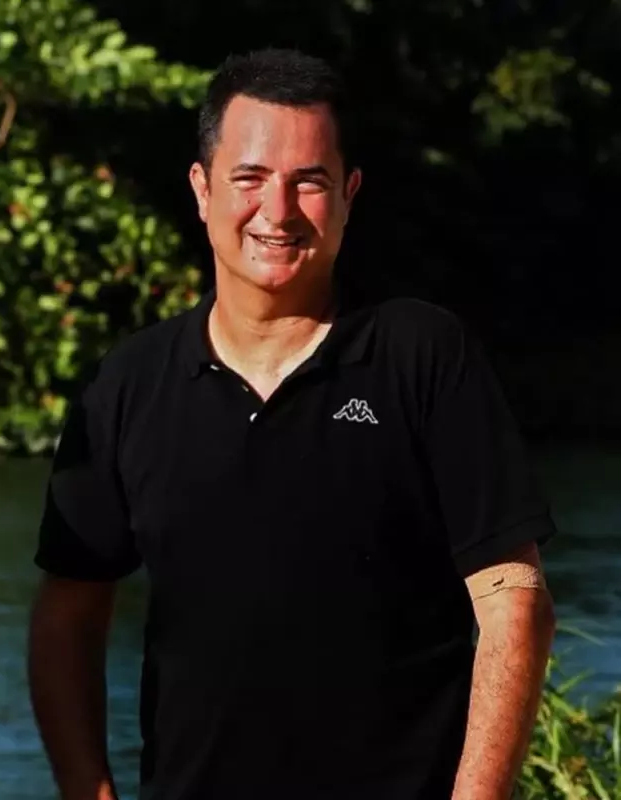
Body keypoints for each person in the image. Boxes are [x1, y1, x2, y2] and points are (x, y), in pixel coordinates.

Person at [27, 47, 557, 800]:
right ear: (202, 189)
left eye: (309, 181)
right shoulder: (129, 384)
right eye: (249, 178)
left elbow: (514, 600)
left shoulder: (421, 355)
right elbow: (65, 618)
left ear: (349, 194)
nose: (277, 212)